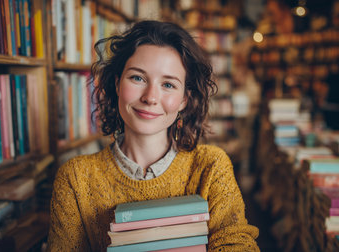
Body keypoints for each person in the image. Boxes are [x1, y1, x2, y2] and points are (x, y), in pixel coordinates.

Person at [47, 20, 260, 251]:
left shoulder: (211, 166)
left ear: (184, 100)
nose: (150, 97)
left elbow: (237, 243)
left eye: (168, 84)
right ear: (118, 83)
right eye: (138, 78)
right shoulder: (75, 177)